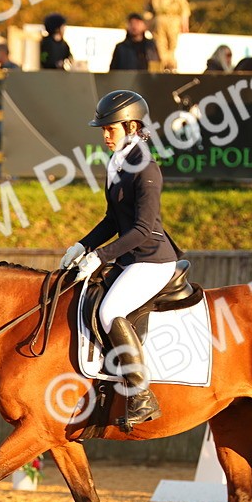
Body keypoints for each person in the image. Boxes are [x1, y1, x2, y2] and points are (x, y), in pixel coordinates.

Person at [59, 90, 183, 430]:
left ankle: (141, 396)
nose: (104, 135)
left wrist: (100, 256)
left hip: (152, 261)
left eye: (110, 129)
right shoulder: (120, 165)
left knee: (109, 311)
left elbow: (142, 229)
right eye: (103, 129)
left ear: (131, 126)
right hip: (131, 258)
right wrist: (82, 246)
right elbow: (113, 221)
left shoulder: (146, 169)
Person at [145, 0, 189, 72]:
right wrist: (148, 24)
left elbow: (184, 9)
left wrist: (184, 24)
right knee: (160, 46)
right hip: (161, 18)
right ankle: (165, 66)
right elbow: (147, 10)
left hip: (173, 19)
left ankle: (170, 66)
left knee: (171, 47)